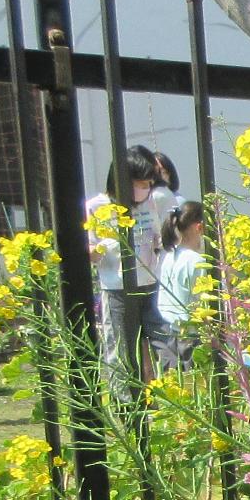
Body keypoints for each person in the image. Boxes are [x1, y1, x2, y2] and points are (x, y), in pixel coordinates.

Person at [86, 144, 179, 400]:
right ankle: (128, 409)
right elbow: (90, 249)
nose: (144, 190)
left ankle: (175, 399)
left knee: (168, 344)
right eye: (139, 184)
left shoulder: (152, 202)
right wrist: (103, 247)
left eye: (148, 184)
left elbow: (165, 238)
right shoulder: (97, 206)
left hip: (153, 284)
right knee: (123, 353)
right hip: (117, 288)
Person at [154, 202, 207, 371]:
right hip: (192, 335)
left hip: (170, 332)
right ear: (200, 228)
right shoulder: (197, 262)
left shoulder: (169, 254)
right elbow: (204, 302)